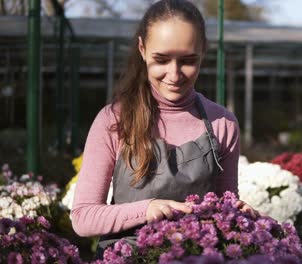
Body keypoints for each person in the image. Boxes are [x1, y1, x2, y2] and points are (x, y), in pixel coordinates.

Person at [71, 0, 244, 255]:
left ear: (204, 51)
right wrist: (147, 209)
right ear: (142, 49)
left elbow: (223, 213)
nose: (174, 75)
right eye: (161, 59)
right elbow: (83, 217)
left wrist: (243, 217)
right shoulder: (114, 121)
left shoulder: (223, 124)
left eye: (188, 60)